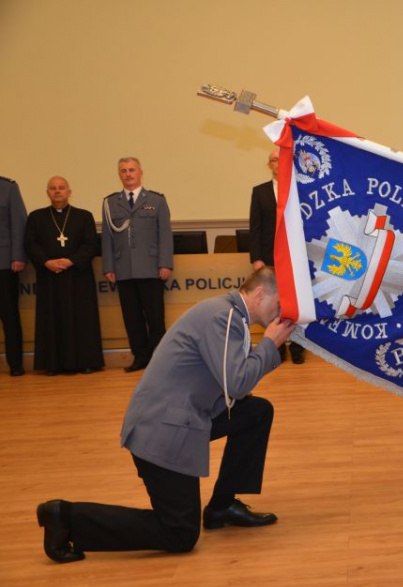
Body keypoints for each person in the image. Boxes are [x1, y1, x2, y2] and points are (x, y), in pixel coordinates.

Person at [36, 266, 295, 563]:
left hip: (180, 417)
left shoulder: (228, 314)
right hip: (162, 430)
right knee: (180, 533)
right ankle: (66, 518)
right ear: (260, 293)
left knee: (257, 412)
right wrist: (269, 344)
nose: (280, 312)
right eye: (278, 303)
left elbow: (231, 383)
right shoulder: (224, 318)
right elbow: (237, 382)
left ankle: (222, 506)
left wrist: (259, 358)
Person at [25, 177, 104, 375]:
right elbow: (30, 244)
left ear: (69, 192)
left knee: (82, 318)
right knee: (52, 317)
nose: (57, 191)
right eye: (53, 188)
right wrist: (46, 262)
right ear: (47, 193)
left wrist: (71, 261)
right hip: (50, 277)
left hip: (78, 276)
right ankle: (53, 364)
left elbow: (91, 245)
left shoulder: (84, 216)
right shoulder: (35, 218)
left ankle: (86, 361)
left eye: (61, 188)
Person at [101, 157, 173, 372]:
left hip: (151, 268)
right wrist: (109, 267)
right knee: (132, 319)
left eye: (132, 170)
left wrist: (165, 263)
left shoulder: (156, 200)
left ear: (140, 172)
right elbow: (107, 237)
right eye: (123, 171)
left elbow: (165, 235)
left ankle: (157, 360)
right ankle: (140, 358)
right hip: (124, 269)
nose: (128, 174)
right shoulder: (110, 203)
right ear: (119, 175)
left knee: (155, 318)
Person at [249, 148, 304, 364]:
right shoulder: (259, 191)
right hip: (269, 257)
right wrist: (256, 258)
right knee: (274, 303)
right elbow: (255, 227)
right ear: (269, 165)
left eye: (281, 160)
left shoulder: (299, 189)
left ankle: (299, 347)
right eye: (274, 160)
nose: (277, 163)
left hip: (296, 256)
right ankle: (277, 348)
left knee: (297, 303)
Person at [0, 175, 27, 376]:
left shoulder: (8, 187)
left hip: (4, 263)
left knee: (9, 315)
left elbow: (19, 223)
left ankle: (15, 364)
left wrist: (18, 255)